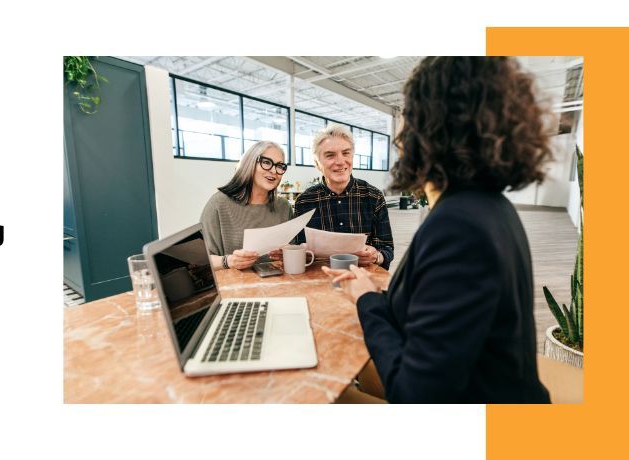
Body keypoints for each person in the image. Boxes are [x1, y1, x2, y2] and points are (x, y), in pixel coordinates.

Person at [325, 57, 552, 403]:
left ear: (429, 127)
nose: (400, 137)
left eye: (407, 118)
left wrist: (367, 300)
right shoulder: (486, 206)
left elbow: (415, 395)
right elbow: (433, 312)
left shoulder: (459, 227)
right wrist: (373, 292)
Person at [294, 125, 393, 269]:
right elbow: (299, 251)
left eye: (346, 153)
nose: (340, 162)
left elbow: (387, 249)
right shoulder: (304, 202)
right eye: (330, 155)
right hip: (320, 282)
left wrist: (376, 256)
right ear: (317, 163)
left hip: (363, 281)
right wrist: (303, 252)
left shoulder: (373, 196)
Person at [201, 140, 292, 271]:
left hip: (278, 285)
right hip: (235, 287)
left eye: (280, 166)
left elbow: (292, 249)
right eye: (266, 162)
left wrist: (287, 254)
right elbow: (200, 262)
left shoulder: (284, 207)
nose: (274, 171)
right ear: (249, 163)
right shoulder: (219, 204)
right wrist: (229, 261)